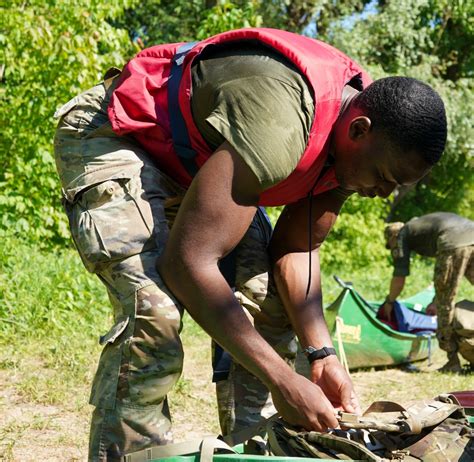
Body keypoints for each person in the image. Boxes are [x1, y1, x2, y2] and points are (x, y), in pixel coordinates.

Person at [53, 28, 447, 460]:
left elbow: (297, 250)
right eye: (386, 178)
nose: (383, 194)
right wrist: (282, 379)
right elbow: (188, 263)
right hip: (115, 135)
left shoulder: (359, 149)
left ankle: (256, 449)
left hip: (196, 167)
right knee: (154, 312)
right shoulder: (282, 121)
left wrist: (321, 354)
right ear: (359, 130)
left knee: (267, 296)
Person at [383, 213, 474, 372]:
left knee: (444, 305)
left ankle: (452, 362)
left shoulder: (400, 236)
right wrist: (435, 299)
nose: (392, 249)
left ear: (392, 237)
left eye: (390, 245)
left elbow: (399, 278)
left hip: (453, 241)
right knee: (442, 298)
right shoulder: (418, 226)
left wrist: (389, 301)